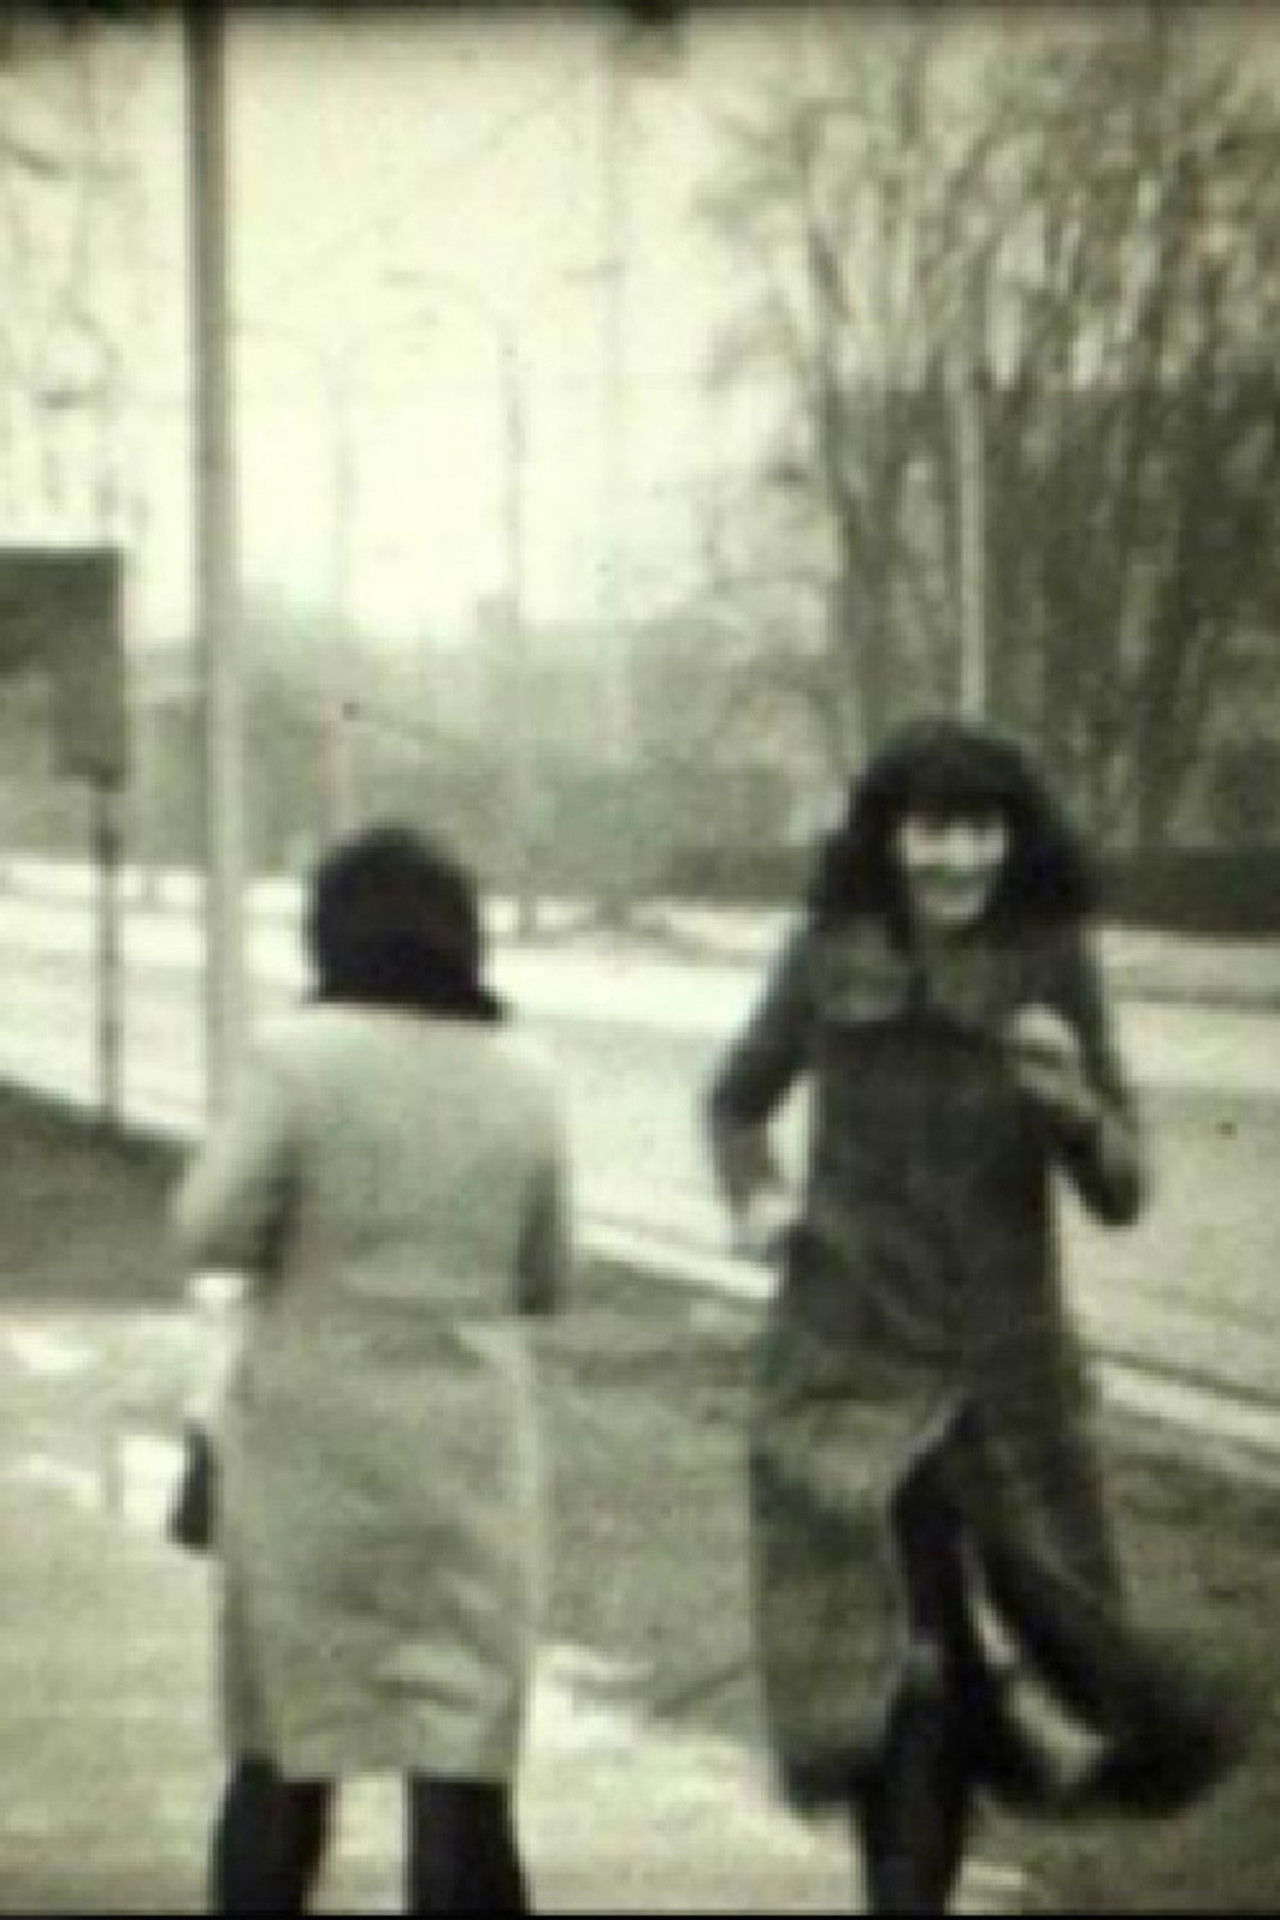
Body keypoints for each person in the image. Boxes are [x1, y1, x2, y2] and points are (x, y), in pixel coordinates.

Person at [704, 715, 1244, 1913]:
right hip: (846, 1370)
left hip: (1005, 1386)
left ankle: (984, 1772)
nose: (956, 858)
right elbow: (735, 1101)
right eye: (930, 830)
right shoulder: (825, 953)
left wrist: (1069, 1105)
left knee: (1054, 1652)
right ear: (888, 840)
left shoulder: (1051, 962)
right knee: (906, 1661)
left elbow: (1118, 1191)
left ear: (1012, 839)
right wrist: (757, 1197)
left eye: (980, 829)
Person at [169, 822, 571, 1914]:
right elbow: (544, 1276)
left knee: (281, 1761)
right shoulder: (525, 1076)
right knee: (462, 1780)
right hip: (467, 1466)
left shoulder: (295, 1059)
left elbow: (206, 1230)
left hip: (309, 1453)